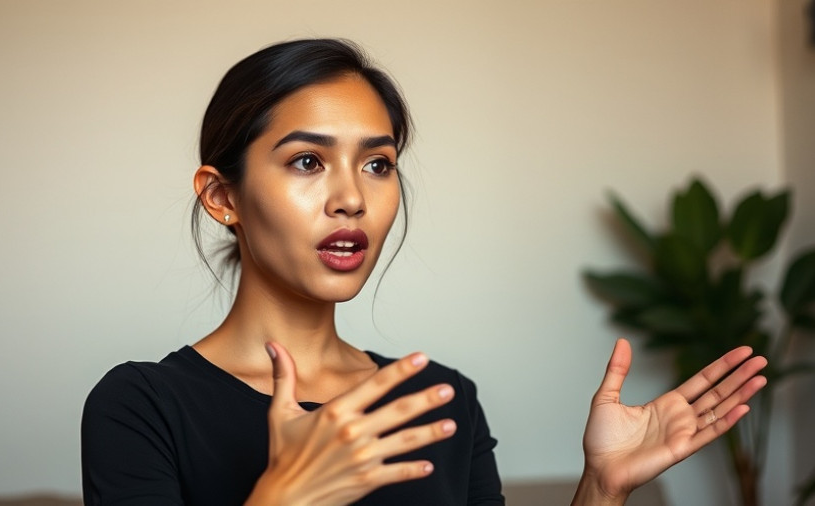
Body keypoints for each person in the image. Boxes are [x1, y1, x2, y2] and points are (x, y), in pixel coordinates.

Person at [81, 38, 768, 505]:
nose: (352, 196)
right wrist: (288, 492)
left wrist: (603, 488)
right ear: (222, 196)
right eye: (307, 161)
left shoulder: (442, 400)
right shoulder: (141, 407)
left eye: (377, 164)